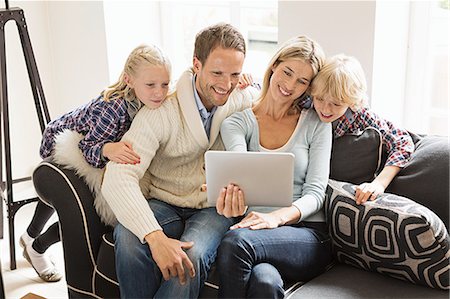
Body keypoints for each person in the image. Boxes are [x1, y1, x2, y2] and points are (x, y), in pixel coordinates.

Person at [101, 23, 259, 298]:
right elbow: (117, 178)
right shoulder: (161, 110)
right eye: (217, 73)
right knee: (128, 238)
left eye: (235, 74)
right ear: (196, 64)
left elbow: (279, 99)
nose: (226, 84)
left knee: (192, 256)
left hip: (214, 208)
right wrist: (155, 237)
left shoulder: (241, 99)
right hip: (163, 202)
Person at [20, 44, 172, 282]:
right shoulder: (114, 108)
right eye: (151, 85)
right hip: (71, 140)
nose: (159, 92)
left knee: (65, 201)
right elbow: (87, 148)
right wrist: (107, 148)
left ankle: (30, 236)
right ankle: (36, 245)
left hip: (95, 138)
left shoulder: (155, 100)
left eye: (165, 84)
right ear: (129, 81)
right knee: (83, 208)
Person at [216, 35, 333, 298]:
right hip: (257, 234)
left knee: (235, 243)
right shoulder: (237, 124)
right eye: (287, 72)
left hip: (306, 235)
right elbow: (240, 177)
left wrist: (275, 218)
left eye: (302, 81)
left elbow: (316, 194)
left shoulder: (317, 124)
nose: (290, 85)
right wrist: (235, 202)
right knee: (264, 283)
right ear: (274, 66)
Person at [308, 54, 414, 204]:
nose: (325, 108)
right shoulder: (306, 106)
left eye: (336, 104)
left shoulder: (362, 115)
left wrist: (379, 183)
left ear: (352, 101)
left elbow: (402, 142)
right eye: (319, 99)